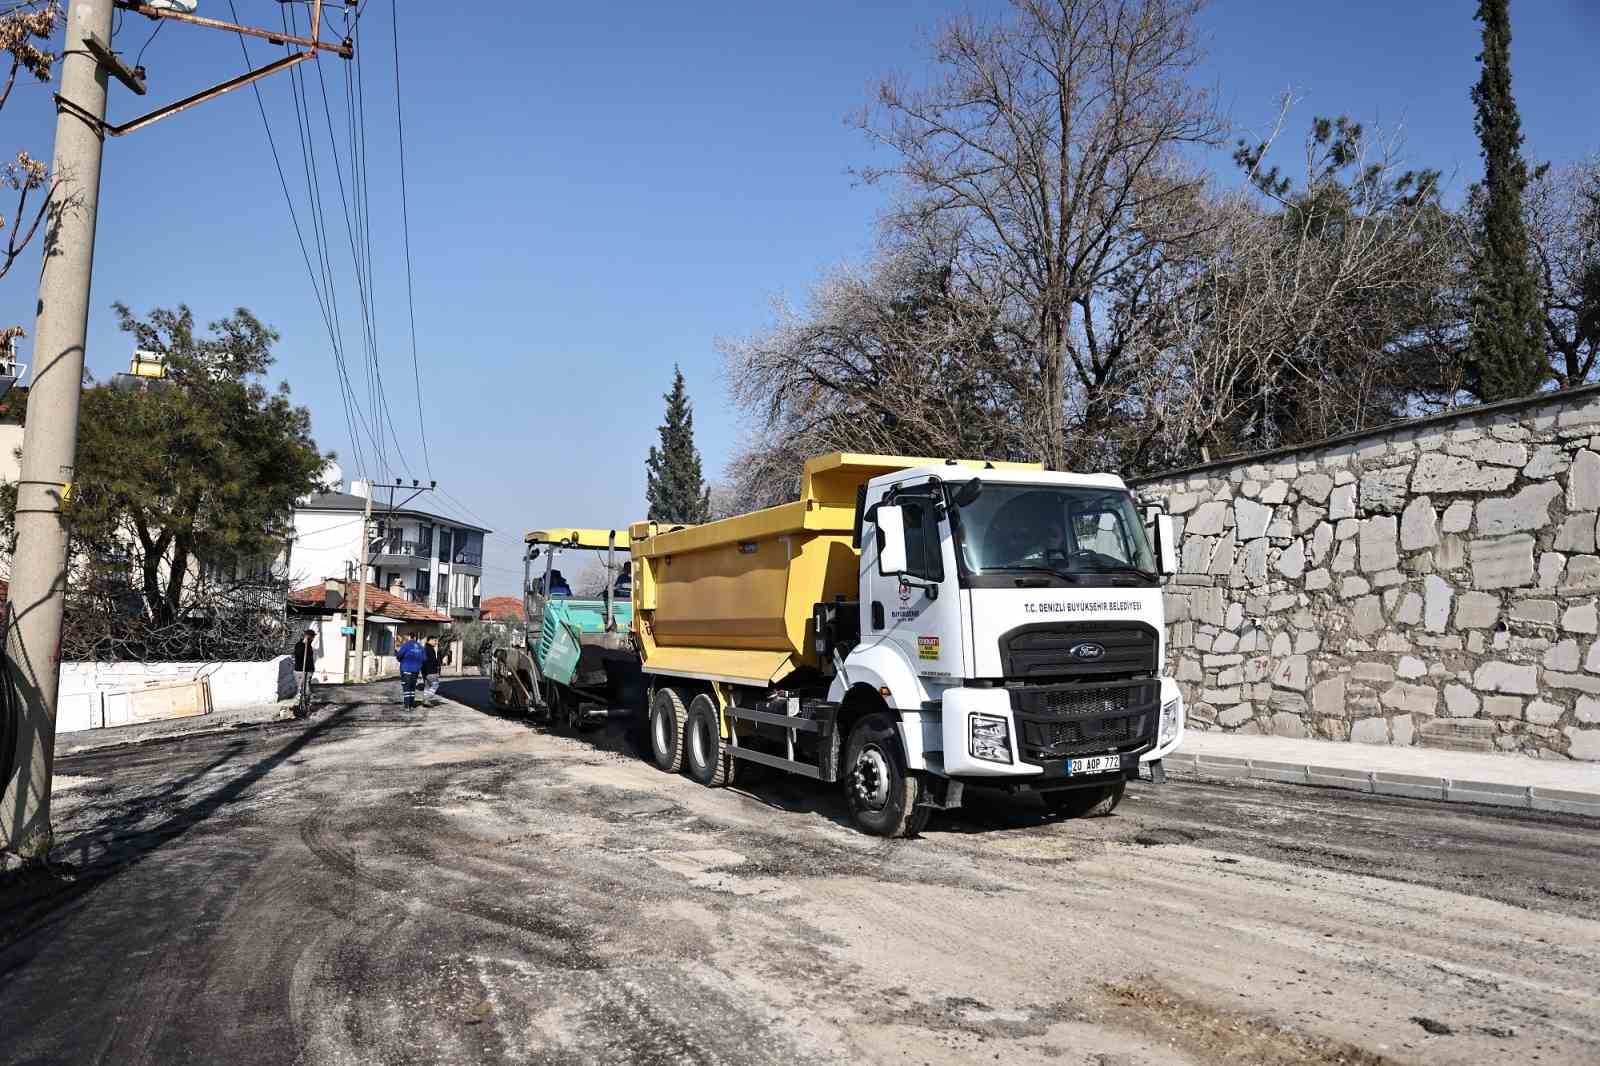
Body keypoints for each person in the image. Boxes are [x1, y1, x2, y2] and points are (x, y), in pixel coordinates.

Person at [395, 631, 427, 709]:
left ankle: (407, 706)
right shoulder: (420, 647)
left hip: (406, 669)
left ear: (409, 637)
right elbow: (424, 659)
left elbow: (399, 656)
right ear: (415, 637)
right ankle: (412, 705)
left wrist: (400, 659)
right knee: (412, 688)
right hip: (416, 670)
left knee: (407, 688)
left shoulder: (406, 645)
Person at [292, 627, 317, 699]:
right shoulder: (300, 645)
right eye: (312, 637)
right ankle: (301, 704)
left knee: (306, 688)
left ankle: (306, 703)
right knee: (302, 689)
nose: (313, 639)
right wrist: (303, 644)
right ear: (308, 636)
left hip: (308, 670)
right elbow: (298, 654)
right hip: (301, 670)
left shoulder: (309, 646)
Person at [422, 637, 442, 705]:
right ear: (430, 641)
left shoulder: (425, 648)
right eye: (435, 641)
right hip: (431, 671)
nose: (436, 642)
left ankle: (425, 699)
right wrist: (438, 664)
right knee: (435, 685)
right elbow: (432, 661)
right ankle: (427, 699)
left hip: (425, 672)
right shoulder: (430, 649)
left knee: (427, 686)